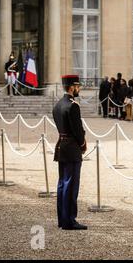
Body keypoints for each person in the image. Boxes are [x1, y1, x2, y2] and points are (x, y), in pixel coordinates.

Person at [52, 75, 87, 230]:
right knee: (71, 185)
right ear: (72, 87)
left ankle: (62, 219)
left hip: (61, 145)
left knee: (62, 184)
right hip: (72, 147)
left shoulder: (58, 105)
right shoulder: (73, 105)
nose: (79, 89)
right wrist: (83, 143)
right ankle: (69, 221)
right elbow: (77, 130)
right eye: (77, 86)